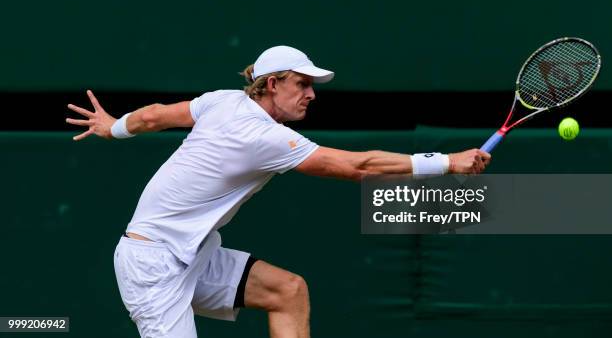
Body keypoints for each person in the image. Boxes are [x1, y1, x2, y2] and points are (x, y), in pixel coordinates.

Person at [66, 45, 491, 338]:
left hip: (192, 256)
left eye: (312, 87)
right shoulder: (263, 136)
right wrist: (447, 163)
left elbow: (155, 116)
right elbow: (358, 167)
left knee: (288, 292)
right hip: (154, 267)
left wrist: (113, 127)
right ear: (272, 84)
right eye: (301, 85)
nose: (310, 95)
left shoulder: (223, 100)